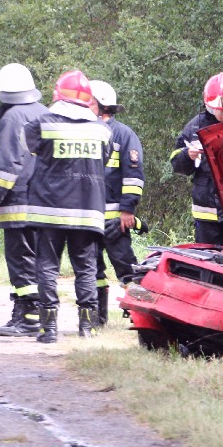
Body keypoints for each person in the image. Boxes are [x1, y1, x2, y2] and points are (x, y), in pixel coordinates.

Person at [24, 70, 111, 343]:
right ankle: (87, 327)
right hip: (87, 210)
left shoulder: (41, 124)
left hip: (49, 209)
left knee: (47, 266)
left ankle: (48, 329)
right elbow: (104, 160)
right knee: (86, 268)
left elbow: (30, 144)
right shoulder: (102, 130)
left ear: (58, 95)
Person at [0, 63, 50, 336]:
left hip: (18, 201)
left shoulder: (12, 117)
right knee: (40, 260)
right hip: (46, 201)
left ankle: (28, 318)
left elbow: (7, 164)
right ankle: (41, 314)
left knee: (21, 260)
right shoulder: (46, 113)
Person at [170, 72, 223, 246]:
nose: (221, 114)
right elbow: (177, 164)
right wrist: (187, 155)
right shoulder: (195, 127)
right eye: (215, 109)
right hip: (206, 210)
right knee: (206, 261)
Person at [88, 79, 146, 326]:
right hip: (88, 217)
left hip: (115, 219)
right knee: (92, 268)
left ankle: (140, 314)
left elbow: (133, 176)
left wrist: (127, 211)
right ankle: (96, 317)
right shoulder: (84, 131)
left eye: (88, 102)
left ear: (102, 106)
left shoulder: (123, 135)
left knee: (126, 266)